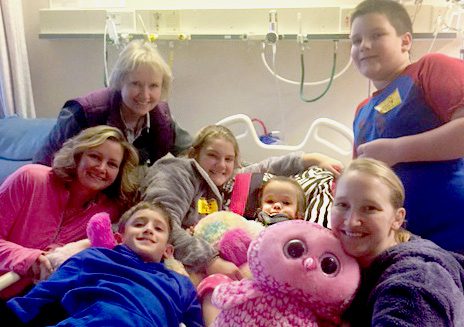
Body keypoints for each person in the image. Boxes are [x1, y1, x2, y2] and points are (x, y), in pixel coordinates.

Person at [141, 124, 343, 281]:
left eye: (229, 159)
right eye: (213, 155)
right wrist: (211, 261)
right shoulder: (178, 171)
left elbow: (266, 166)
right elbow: (161, 222)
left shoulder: (227, 183)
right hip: (169, 258)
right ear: (195, 154)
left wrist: (312, 159)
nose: (221, 165)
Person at [349, 0, 464, 253]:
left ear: (405, 41)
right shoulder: (362, 112)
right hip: (401, 248)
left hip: (454, 235)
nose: (364, 46)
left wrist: (397, 150)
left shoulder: (430, 69)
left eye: (376, 35)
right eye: (356, 41)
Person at [1, 201, 204, 326]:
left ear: (168, 250)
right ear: (119, 237)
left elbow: (197, 322)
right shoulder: (95, 257)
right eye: (139, 224)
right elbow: (45, 292)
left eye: (158, 229)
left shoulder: (180, 283)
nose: (148, 230)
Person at [0, 125, 139, 299]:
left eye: (112, 164)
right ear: (78, 156)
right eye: (95, 156)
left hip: (33, 301)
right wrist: (30, 258)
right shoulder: (30, 178)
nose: (102, 168)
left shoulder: (110, 211)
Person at [331, 157, 464, 326]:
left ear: (397, 218)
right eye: (342, 205)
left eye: (370, 208)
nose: (351, 221)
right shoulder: (338, 256)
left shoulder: (417, 279)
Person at [33, 39, 192, 167]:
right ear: (120, 81)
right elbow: (42, 166)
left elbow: (194, 153)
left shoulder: (162, 117)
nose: (145, 95)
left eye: (153, 86)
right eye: (135, 83)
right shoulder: (84, 113)